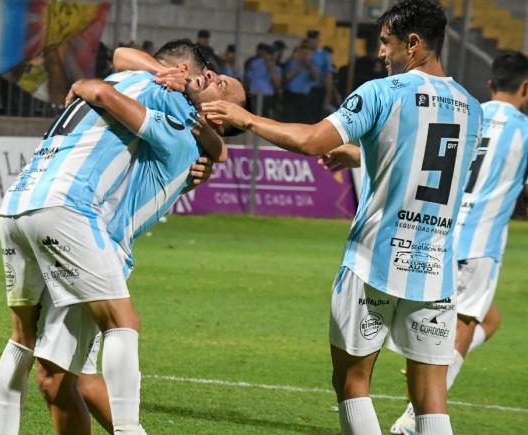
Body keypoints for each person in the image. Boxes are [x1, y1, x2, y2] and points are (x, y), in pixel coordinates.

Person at [201, 1, 483, 434]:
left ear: (413, 43)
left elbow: (312, 141)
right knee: (431, 398)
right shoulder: (471, 107)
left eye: (386, 44)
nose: (381, 54)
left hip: (374, 261)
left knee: (352, 382)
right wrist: (360, 155)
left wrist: (246, 117)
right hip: (433, 268)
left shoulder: (381, 92)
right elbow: (428, 168)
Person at [0, 39, 246, 435]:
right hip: (75, 225)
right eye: (213, 73)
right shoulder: (162, 97)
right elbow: (125, 56)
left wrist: (92, 87)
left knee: (63, 366)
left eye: (224, 86)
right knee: (72, 364)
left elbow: (110, 85)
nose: (215, 76)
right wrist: (214, 149)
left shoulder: (177, 122)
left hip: (58, 222)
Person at [385, 50, 528, 434]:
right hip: (479, 244)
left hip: (441, 233)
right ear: (526, 88)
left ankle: (434, 363)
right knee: (463, 324)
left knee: (490, 318)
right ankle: (416, 419)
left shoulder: (468, 112)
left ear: (491, 84)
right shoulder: (524, 131)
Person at [283, 41, 320, 123]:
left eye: (307, 54)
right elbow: (287, 77)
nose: (305, 56)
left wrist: (309, 66)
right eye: (303, 53)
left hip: (304, 96)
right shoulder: (292, 62)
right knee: (290, 119)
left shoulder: (312, 65)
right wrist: (299, 66)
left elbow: (316, 78)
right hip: (291, 95)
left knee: (303, 120)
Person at [244, 43, 282, 118]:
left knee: (264, 117)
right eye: (268, 54)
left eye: (272, 54)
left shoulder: (277, 68)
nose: (270, 56)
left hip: (267, 96)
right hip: (254, 93)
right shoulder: (254, 63)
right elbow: (247, 77)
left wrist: (271, 69)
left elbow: (277, 84)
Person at [305, 30, 335, 121]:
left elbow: (328, 75)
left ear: (318, 40)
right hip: (300, 91)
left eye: (314, 39)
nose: (312, 41)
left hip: (316, 90)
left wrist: (328, 94)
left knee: (313, 118)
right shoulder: (302, 52)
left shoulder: (323, 55)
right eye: (310, 39)